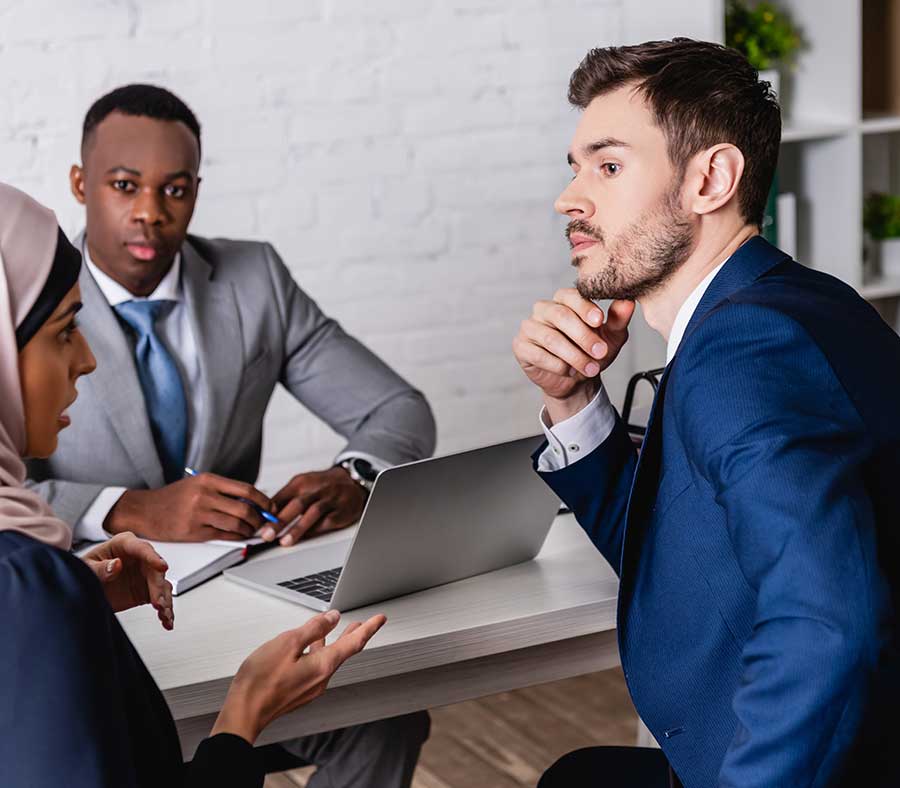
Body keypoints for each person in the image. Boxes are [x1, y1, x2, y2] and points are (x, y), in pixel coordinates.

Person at [512, 39, 900, 787]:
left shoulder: (742, 352)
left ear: (711, 179)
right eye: (575, 167)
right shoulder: (786, 305)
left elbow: (830, 626)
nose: (570, 198)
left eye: (609, 165)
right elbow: (685, 547)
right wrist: (570, 396)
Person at [25, 84, 433, 784]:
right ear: (79, 184)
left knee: (385, 716)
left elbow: (398, 409)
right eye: (124, 186)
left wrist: (356, 477)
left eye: (175, 189)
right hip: (88, 618)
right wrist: (124, 508)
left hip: (238, 610)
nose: (150, 212)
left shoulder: (255, 281)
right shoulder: (26, 291)